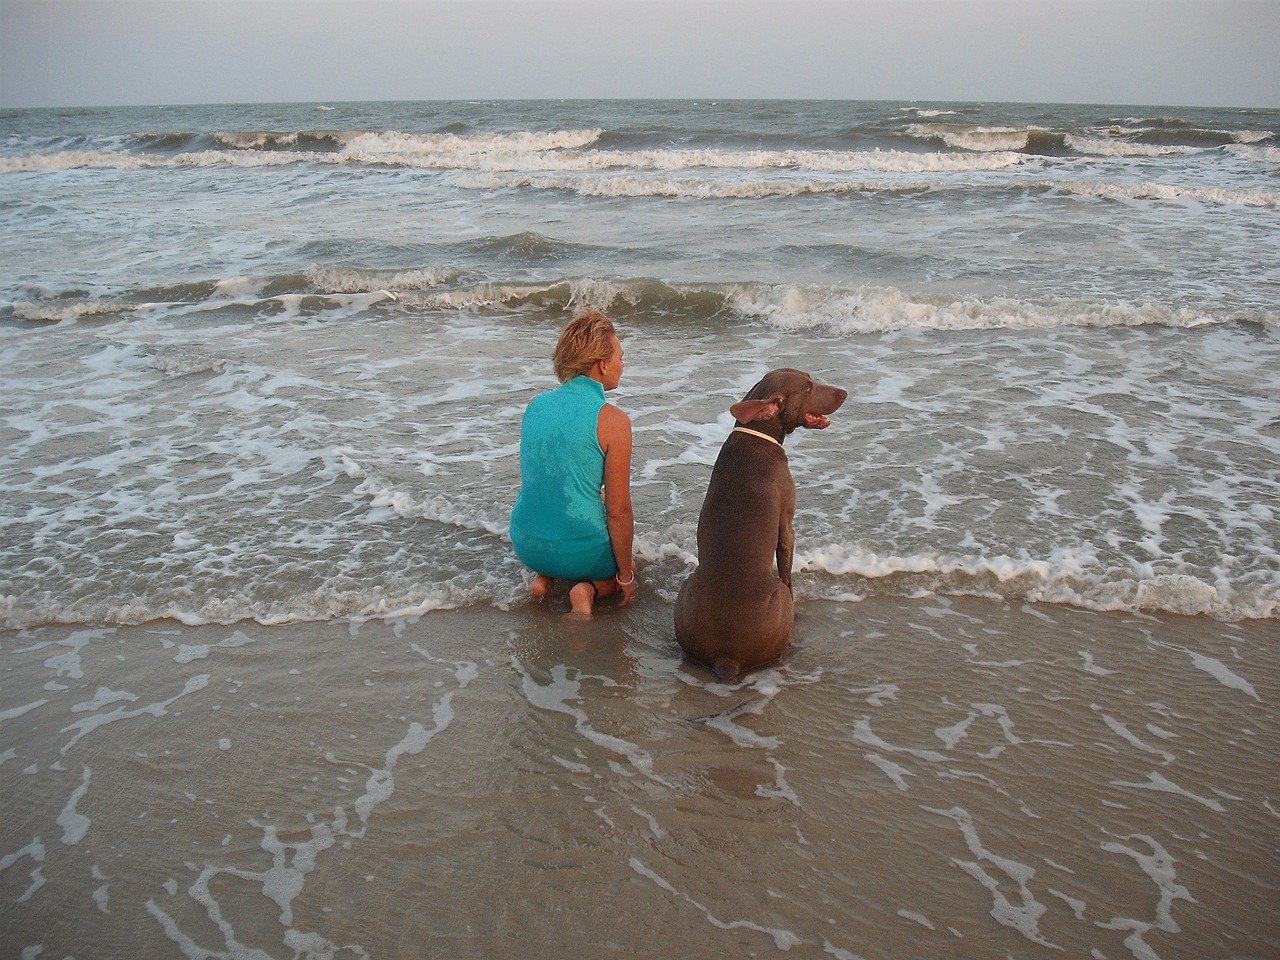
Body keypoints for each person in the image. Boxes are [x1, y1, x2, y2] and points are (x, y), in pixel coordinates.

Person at [509, 309, 638, 617]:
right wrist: (625, 575)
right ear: (603, 364)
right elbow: (619, 512)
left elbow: (546, 483)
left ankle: (544, 579)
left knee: (571, 497)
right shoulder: (613, 421)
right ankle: (589, 590)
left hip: (526, 542)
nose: (623, 364)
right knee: (628, 565)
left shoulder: (536, 405)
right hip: (580, 551)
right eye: (621, 356)